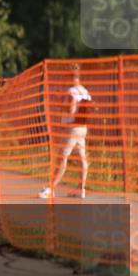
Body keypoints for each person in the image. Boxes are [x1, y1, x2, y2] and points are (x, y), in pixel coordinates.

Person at [40, 65, 92, 199]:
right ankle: (81, 189)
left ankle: (51, 188)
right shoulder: (85, 91)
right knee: (81, 158)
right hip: (83, 128)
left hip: (72, 128)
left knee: (62, 158)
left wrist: (59, 103)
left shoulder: (71, 91)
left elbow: (71, 110)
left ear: (71, 77)